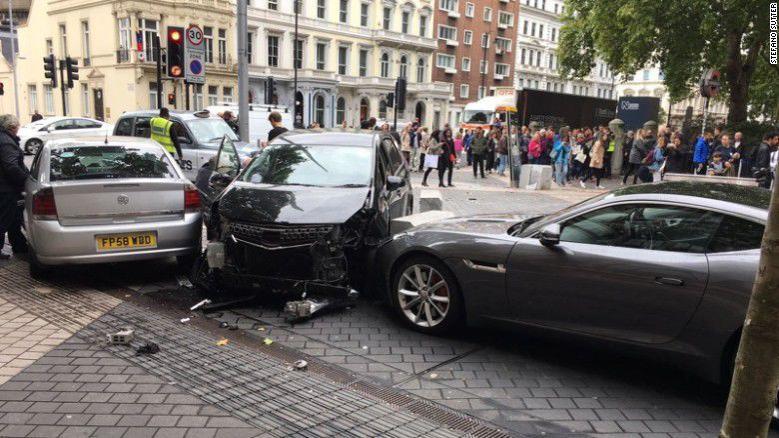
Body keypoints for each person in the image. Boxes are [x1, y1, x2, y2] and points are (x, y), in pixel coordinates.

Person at [0, 115, 28, 259]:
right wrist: (26, 180)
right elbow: (11, 166)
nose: (18, 129)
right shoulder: (6, 142)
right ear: (12, 127)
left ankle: (19, 245)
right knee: (5, 218)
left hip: (6, 187)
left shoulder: (4, 139)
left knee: (13, 217)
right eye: (17, 127)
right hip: (7, 188)